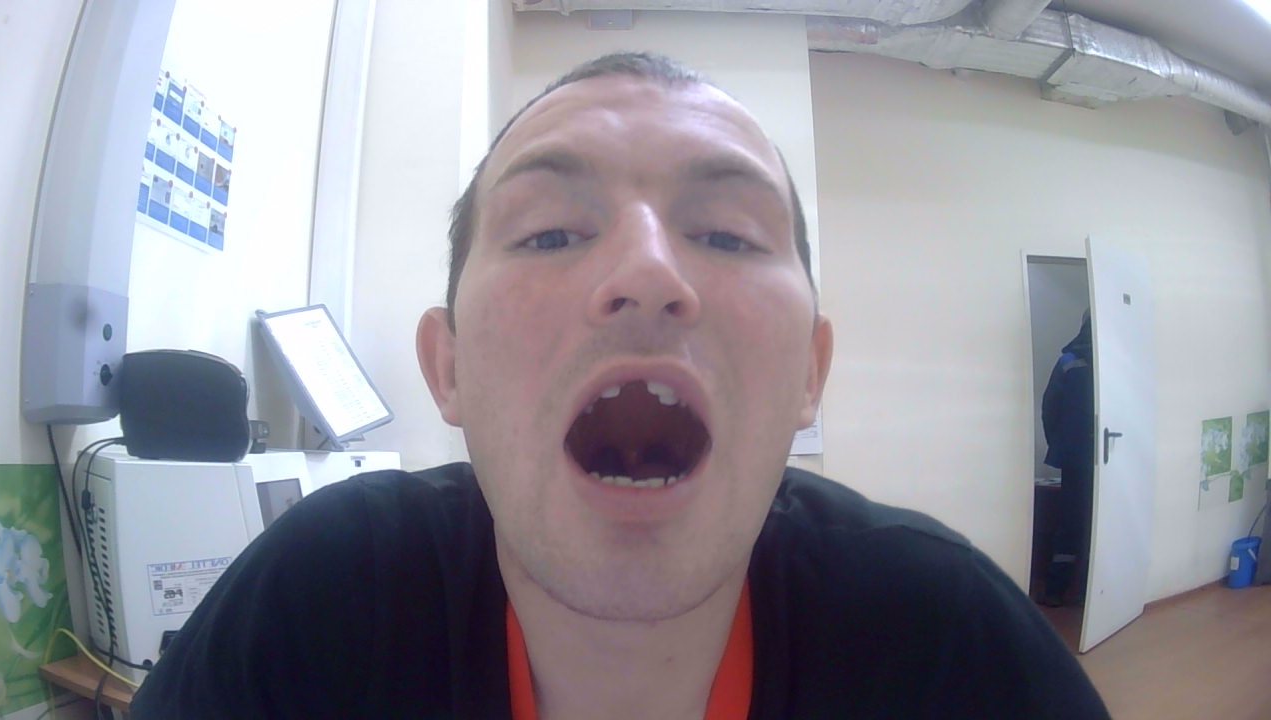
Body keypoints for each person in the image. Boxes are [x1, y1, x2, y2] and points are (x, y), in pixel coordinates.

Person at [130, 52, 1110, 719]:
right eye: (550, 232)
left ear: (808, 374)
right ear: (449, 366)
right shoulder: (320, 603)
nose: (646, 273)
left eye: (725, 234)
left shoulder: (943, 642)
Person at [1039, 310, 1097, 608]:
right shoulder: (1118, 363)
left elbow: (1049, 409)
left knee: (1070, 524)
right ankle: (1092, 595)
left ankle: (1055, 590)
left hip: (1075, 459)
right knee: (1101, 524)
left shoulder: (1068, 361)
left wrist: (1061, 445)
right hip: (1112, 460)